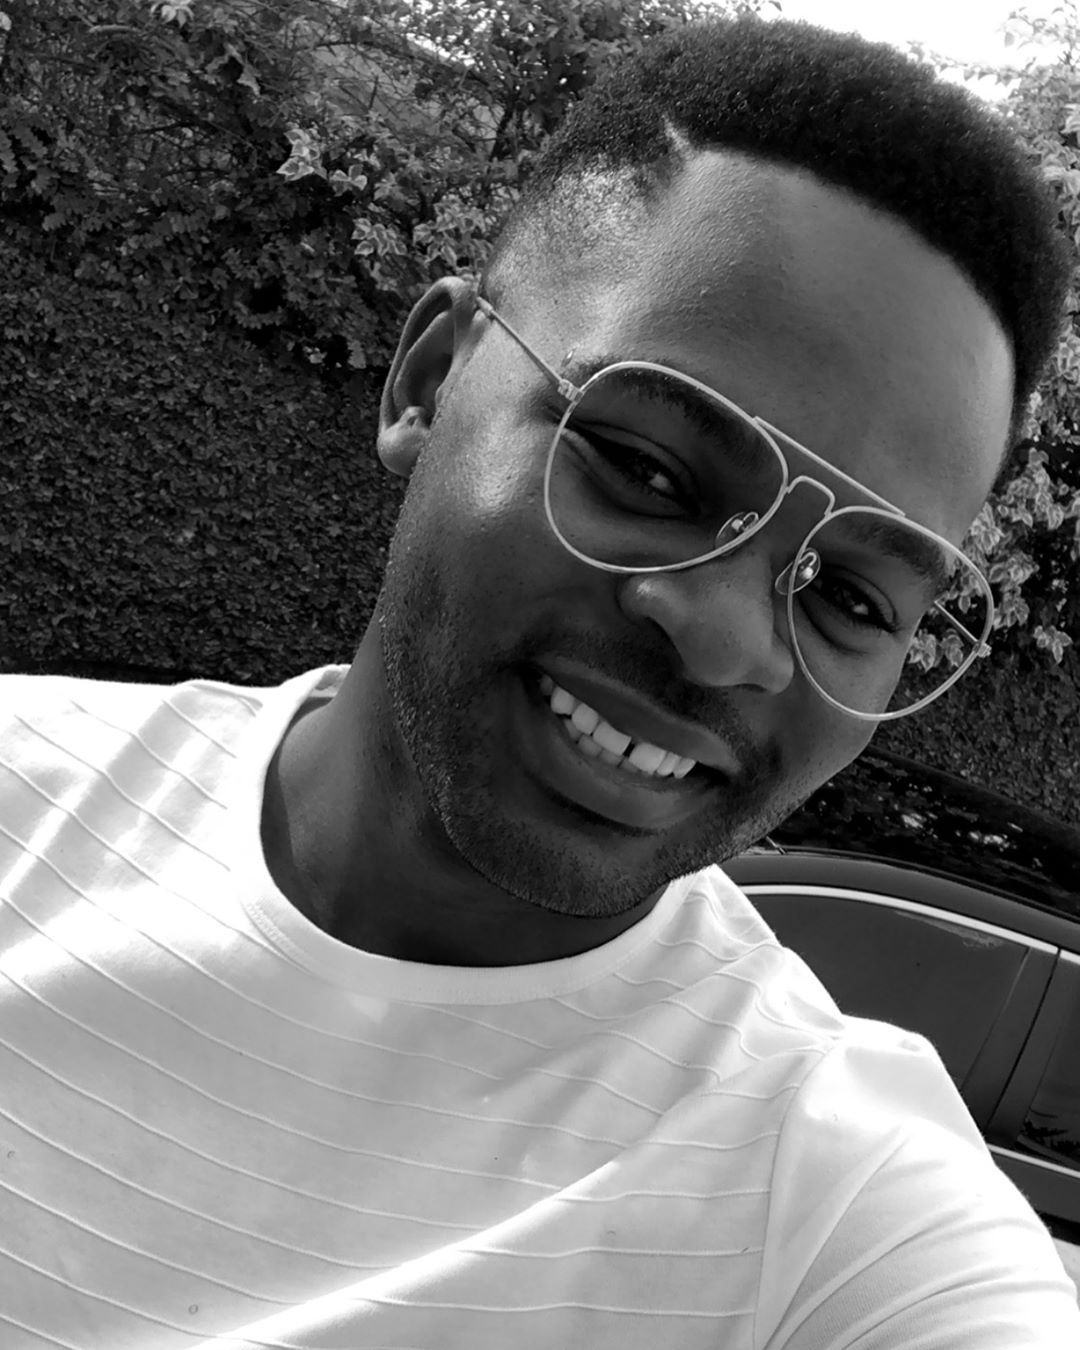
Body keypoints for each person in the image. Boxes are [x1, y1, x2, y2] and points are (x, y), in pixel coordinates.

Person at [2, 14, 1078, 1348]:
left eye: (854, 600)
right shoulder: (25, 796)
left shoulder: (829, 1197)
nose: (731, 643)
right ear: (430, 381)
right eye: (652, 470)